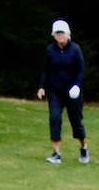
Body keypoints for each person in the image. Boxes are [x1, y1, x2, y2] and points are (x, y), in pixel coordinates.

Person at [36, 19, 88, 164]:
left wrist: (77, 85)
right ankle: (56, 153)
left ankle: (84, 147)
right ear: (54, 35)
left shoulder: (75, 50)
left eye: (62, 33)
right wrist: (42, 87)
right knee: (55, 118)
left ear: (68, 34)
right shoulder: (50, 50)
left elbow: (80, 70)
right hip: (55, 91)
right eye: (57, 33)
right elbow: (46, 70)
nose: (60, 36)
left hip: (73, 91)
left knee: (76, 122)